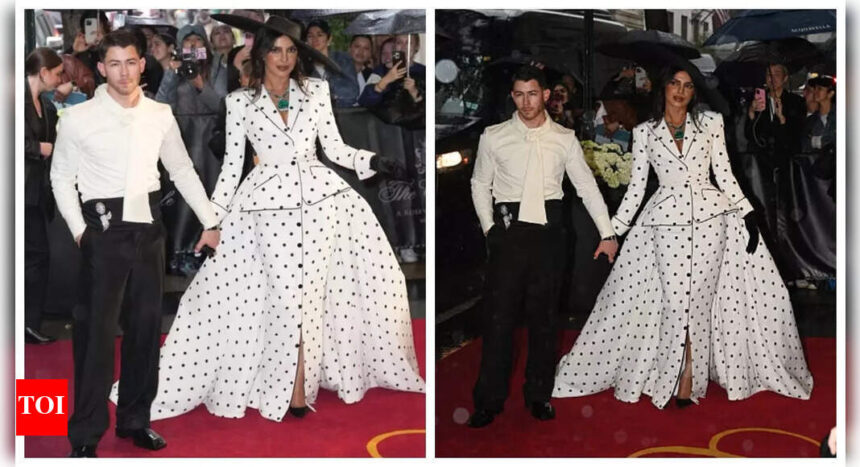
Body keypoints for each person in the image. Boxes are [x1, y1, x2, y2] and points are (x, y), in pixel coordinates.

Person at [131, 14, 423, 423]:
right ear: (262, 54)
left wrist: (373, 161)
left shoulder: (317, 91)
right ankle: (289, 385)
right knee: (287, 299)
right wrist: (212, 222)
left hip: (320, 205)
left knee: (312, 296)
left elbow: (335, 149)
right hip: (264, 210)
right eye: (276, 51)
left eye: (290, 51)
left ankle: (298, 387)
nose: (284, 58)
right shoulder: (239, 102)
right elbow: (231, 170)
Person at [553, 66, 813, 409]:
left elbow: (725, 174)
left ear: (694, 92)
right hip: (665, 224)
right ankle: (673, 372)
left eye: (688, 86)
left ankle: (688, 376)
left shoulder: (710, 124)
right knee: (677, 304)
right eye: (674, 83)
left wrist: (748, 215)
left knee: (698, 304)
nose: (680, 91)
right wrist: (610, 231)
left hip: (711, 222)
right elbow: (636, 190)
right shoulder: (645, 132)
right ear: (664, 88)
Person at [51, 29, 220, 457]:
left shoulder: (160, 113)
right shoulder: (77, 118)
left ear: (142, 64)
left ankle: (135, 420)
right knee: (95, 337)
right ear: (101, 68)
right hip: (102, 232)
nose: (124, 72)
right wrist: (79, 230)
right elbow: (61, 178)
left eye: (131, 62)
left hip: (149, 231)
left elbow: (181, 170)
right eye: (114, 64)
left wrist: (210, 220)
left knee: (145, 333)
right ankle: (85, 435)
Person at [468, 66, 618, 428]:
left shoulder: (564, 139)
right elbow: (479, 183)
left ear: (546, 95)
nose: (526, 102)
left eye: (532, 94)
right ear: (512, 96)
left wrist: (607, 233)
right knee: (499, 320)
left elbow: (586, 186)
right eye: (519, 94)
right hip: (509, 229)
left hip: (551, 233)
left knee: (545, 320)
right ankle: (488, 401)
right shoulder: (494, 136)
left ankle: (538, 395)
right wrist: (490, 228)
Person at [24, 48, 63, 345]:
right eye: (58, 73)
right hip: (20, 192)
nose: (60, 79)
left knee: (35, 257)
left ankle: (28, 322)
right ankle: (28, 323)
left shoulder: (47, 105)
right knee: (37, 256)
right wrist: (40, 148)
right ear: (43, 72)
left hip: (37, 193)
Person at [359, 34, 424, 110]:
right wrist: (385, 80)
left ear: (416, 47)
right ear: (394, 46)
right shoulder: (381, 70)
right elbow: (364, 101)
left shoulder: (424, 71)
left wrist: (414, 92)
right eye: (399, 42)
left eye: (409, 43)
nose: (403, 47)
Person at [329, 34, 373, 107]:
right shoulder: (336, 72)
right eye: (357, 46)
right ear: (349, 48)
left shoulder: (370, 75)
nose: (361, 51)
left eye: (366, 48)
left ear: (370, 53)